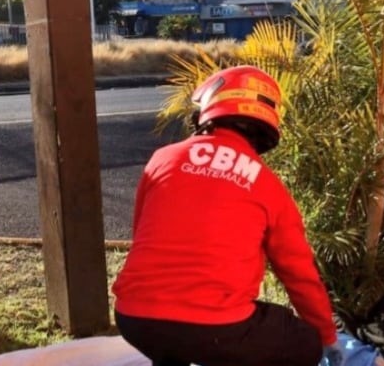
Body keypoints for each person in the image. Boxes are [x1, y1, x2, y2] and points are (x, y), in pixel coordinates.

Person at [112, 65, 344, 366]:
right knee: (303, 342)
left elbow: (142, 230)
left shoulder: (163, 159)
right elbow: (299, 274)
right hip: (216, 329)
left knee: (174, 339)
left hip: (134, 319)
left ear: (208, 110)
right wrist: (326, 337)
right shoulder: (267, 184)